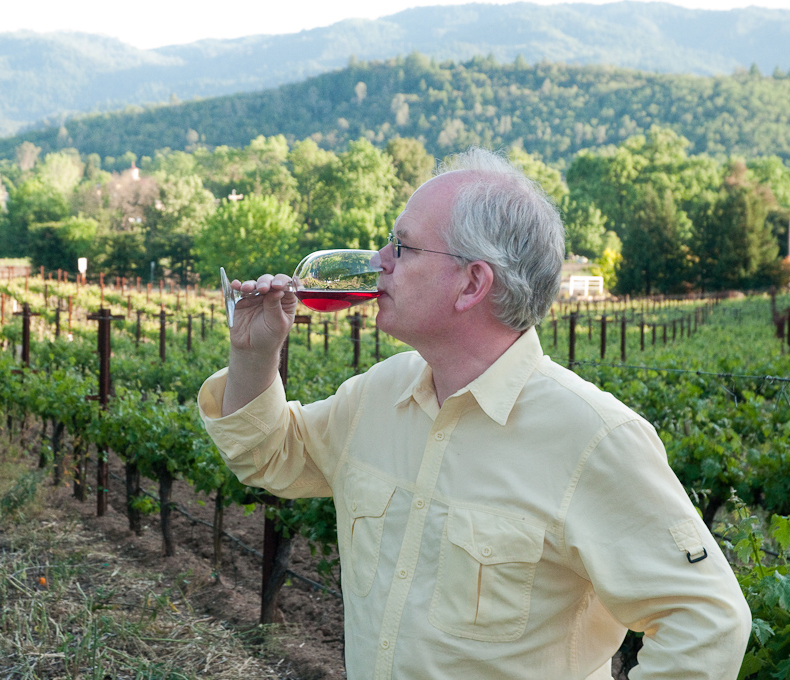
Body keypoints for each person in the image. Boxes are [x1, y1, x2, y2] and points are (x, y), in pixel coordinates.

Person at [197, 147, 750, 679]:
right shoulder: (379, 394)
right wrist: (254, 351)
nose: (378, 262)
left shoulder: (593, 437)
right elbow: (268, 455)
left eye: (403, 247)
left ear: (473, 283)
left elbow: (708, 620)